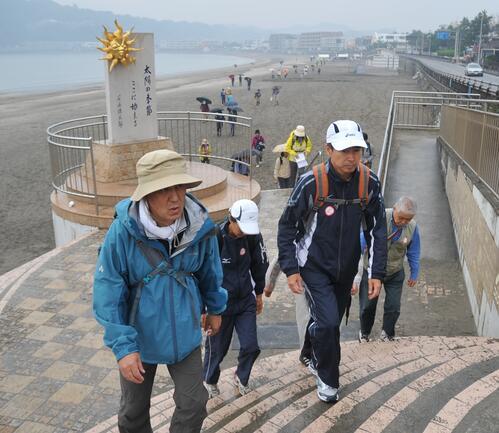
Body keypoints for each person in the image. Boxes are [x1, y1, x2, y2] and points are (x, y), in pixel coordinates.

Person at [93, 149, 228, 433]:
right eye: (163, 189)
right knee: (133, 412)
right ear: (145, 195)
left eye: (179, 186)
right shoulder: (122, 233)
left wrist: (216, 308)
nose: (175, 197)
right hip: (138, 336)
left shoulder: (200, 226)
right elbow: (108, 291)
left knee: (194, 403)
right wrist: (124, 347)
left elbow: (210, 270)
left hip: (185, 330)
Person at [277, 120, 387, 403]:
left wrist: (376, 272)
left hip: (346, 268)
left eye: (356, 150)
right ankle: (328, 381)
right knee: (328, 325)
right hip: (313, 266)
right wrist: (290, 269)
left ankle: (310, 348)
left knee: (329, 323)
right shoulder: (311, 182)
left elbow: (377, 229)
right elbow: (287, 226)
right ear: (328, 150)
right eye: (344, 150)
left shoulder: (369, 182)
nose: (351, 157)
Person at [203, 199, 269, 397]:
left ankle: (241, 376)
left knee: (251, 345)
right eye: (241, 226)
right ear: (231, 219)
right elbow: (203, 274)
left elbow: (259, 265)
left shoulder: (253, 237)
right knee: (217, 350)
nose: (244, 231)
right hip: (220, 305)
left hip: (245, 300)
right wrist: (205, 309)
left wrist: (259, 293)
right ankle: (209, 380)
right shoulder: (215, 237)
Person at [357, 196, 420, 342]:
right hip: (372, 271)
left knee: (393, 306)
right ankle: (364, 332)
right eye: (401, 217)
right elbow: (361, 242)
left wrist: (414, 273)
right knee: (367, 306)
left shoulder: (413, 228)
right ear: (395, 208)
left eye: (408, 219)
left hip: (395, 271)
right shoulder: (379, 217)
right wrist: (352, 274)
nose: (403, 222)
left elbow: (414, 251)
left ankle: (387, 333)